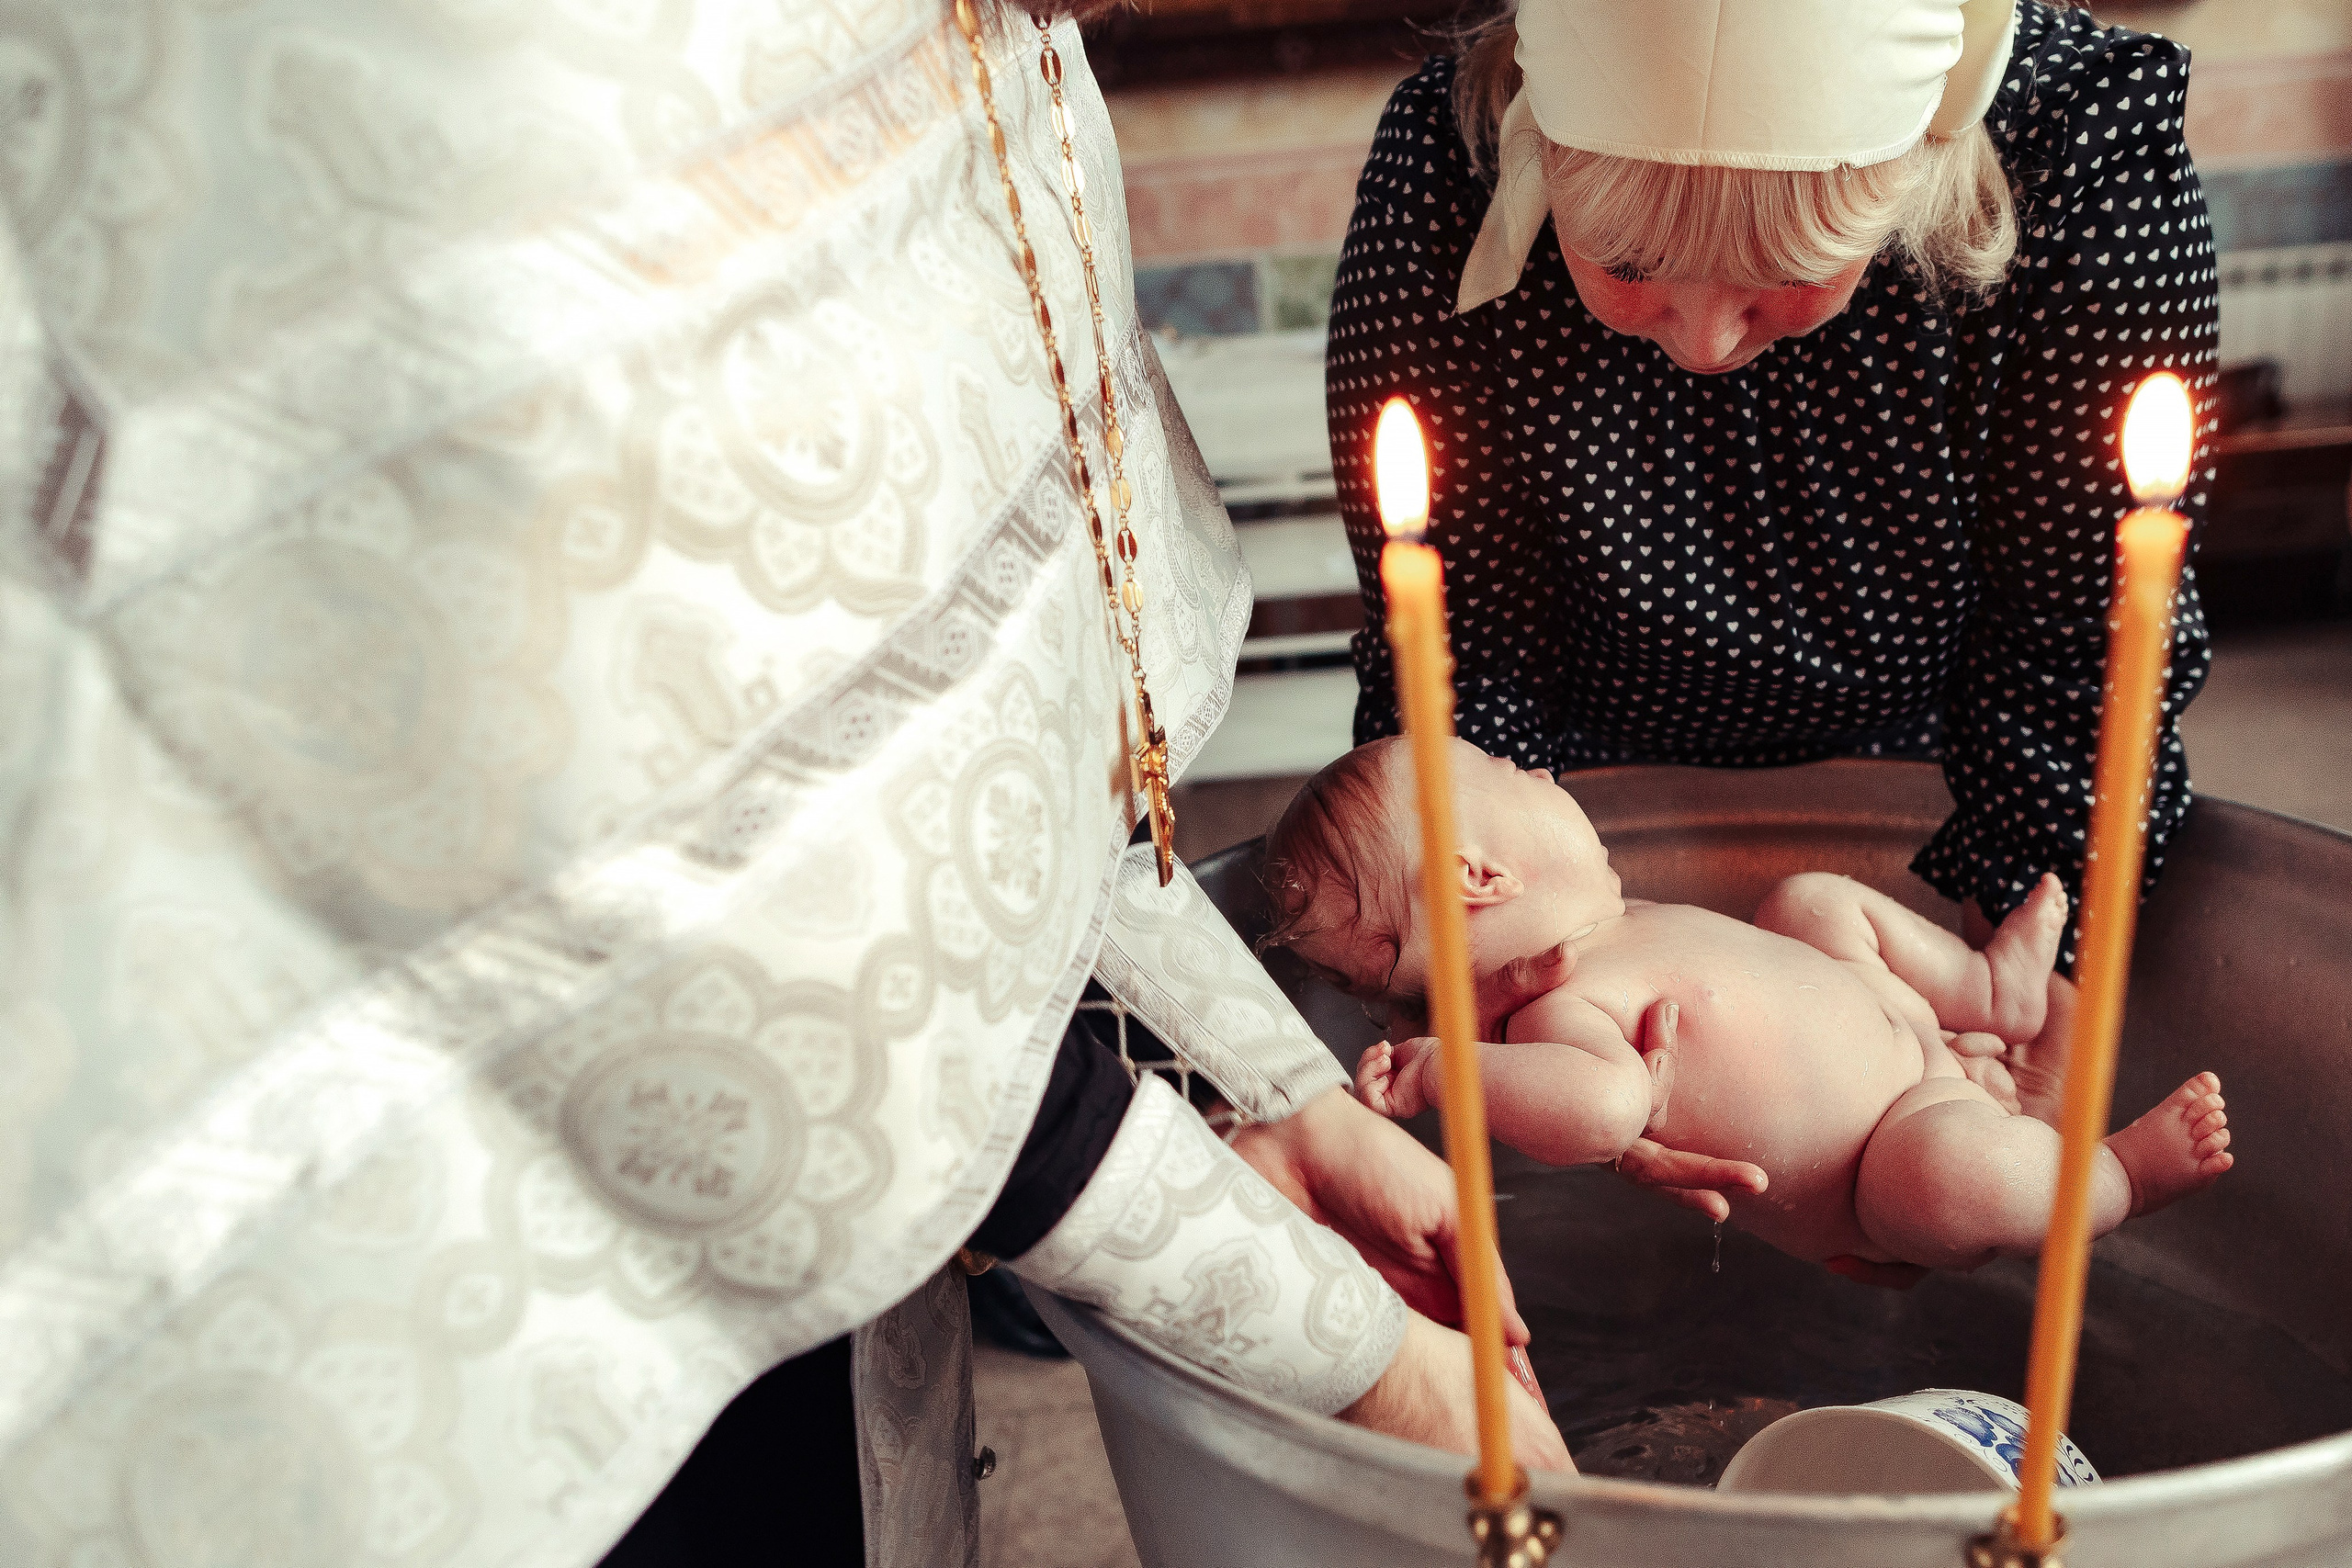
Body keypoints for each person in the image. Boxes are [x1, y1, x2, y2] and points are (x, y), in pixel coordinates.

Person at [0, 4, 1793, 1565]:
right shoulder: (521, 89)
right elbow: (743, 985)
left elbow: (937, 763)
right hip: (382, 1301)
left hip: (803, 1234)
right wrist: (1351, 1351)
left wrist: (1279, 1089)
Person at [1326, 0, 2220, 987]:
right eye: (1625, 263)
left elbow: (2076, 640)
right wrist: (1501, 983)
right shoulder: (1442, 162)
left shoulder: (2080, 148)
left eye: (1785, 269)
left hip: (1947, 746)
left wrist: (2025, 974)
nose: (1703, 345)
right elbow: (1461, 653)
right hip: (1562, 782)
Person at [1262, 737, 2235, 1277]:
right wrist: (1442, 1066)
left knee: (1805, 903)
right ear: (1480, 875)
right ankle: (2115, 1178)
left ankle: (1990, 992)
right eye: (1510, 775)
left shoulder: (1616, 922)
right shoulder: (1557, 1014)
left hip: (1923, 1038)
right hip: (1888, 1150)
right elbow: (1604, 1111)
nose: (1546, 772)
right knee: (1956, 1177)